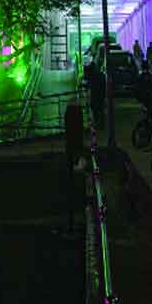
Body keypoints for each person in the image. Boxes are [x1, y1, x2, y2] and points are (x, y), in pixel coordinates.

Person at [64, 97, 85, 231]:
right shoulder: (77, 114)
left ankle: (72, 220)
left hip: (71, 147)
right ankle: (74, 218)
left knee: (72, 177)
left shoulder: (69, 114)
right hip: (76, 146)